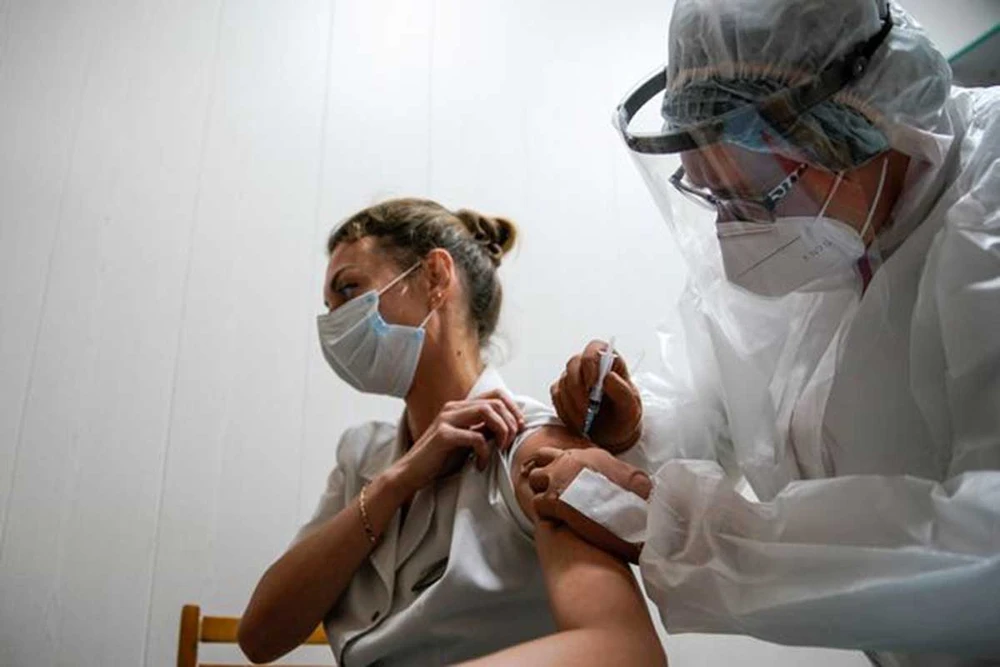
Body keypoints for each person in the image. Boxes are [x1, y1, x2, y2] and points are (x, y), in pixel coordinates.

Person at [530, 1, 1000, 665]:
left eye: (753, 195)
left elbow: (986, 543)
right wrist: (637, 431)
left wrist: (669, 526)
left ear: (854, 124)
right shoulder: (823, 230)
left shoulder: (986, 205)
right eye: (712, 195)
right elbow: (719, 405)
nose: (736, 229)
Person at [237, 198, 666, 666]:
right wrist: (397, 481)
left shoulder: (527, 445)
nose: (333, 322)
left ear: (436, 277)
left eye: (349, 289)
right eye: (329, 305)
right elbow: (260, 637)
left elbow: (626, 653)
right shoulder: (362, 458)